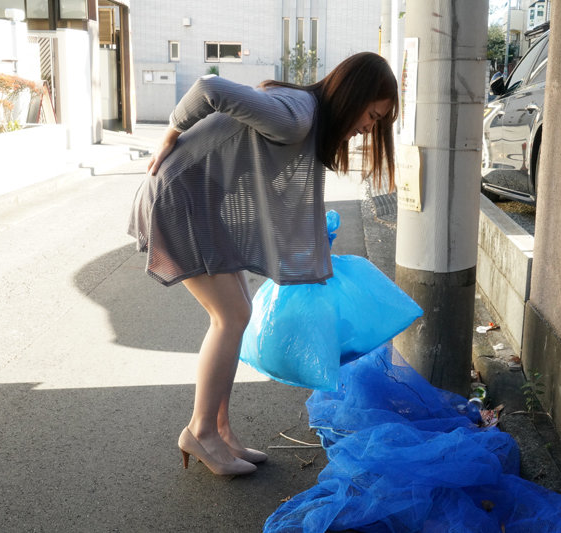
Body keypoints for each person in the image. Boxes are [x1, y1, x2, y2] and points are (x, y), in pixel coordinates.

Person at [128, 52, 398, 476]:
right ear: (353, 96)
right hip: (179, 200)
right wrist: (170, 135)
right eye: (372, 116)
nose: (368, 129)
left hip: (200, 203)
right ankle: (200, 431)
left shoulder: (304, 117)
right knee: (230, 316)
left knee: (239, 312)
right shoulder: (297, 117)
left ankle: (221, 430)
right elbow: (209, 88)